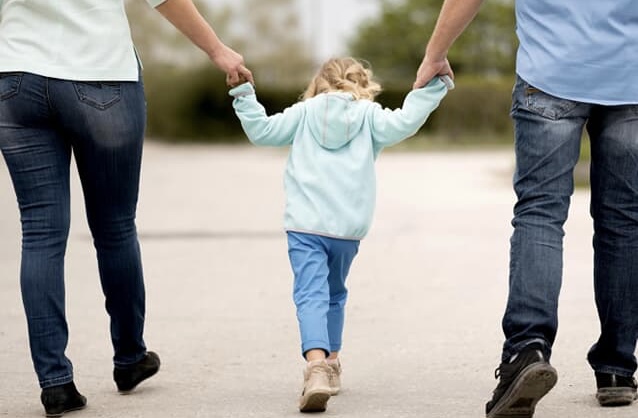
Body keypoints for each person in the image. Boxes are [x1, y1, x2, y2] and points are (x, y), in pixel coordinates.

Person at [0, 0, 252, 416]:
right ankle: (130, 358)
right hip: (103, 78)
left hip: (15, 81)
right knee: (115, 227)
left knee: (40, 233)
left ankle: (55, 382)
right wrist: (218, 51)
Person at [414, 0, 638, 417]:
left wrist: (435, 54)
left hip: (550, 73)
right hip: (630, 79)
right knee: (623, 223)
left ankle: (527, 350)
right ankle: (616, 369)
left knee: (540, 214)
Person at [228, 57, 452, 412]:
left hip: (305, 225)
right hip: (347, 230)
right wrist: (435, 87)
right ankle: (331, 363)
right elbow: (406, 121)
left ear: (318, 84)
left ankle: (316, 367)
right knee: (334, 294)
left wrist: (243, 93)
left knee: (310, 294)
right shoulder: (368, 116)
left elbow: (263, 131)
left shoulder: (302, 114)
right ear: (362, 84)